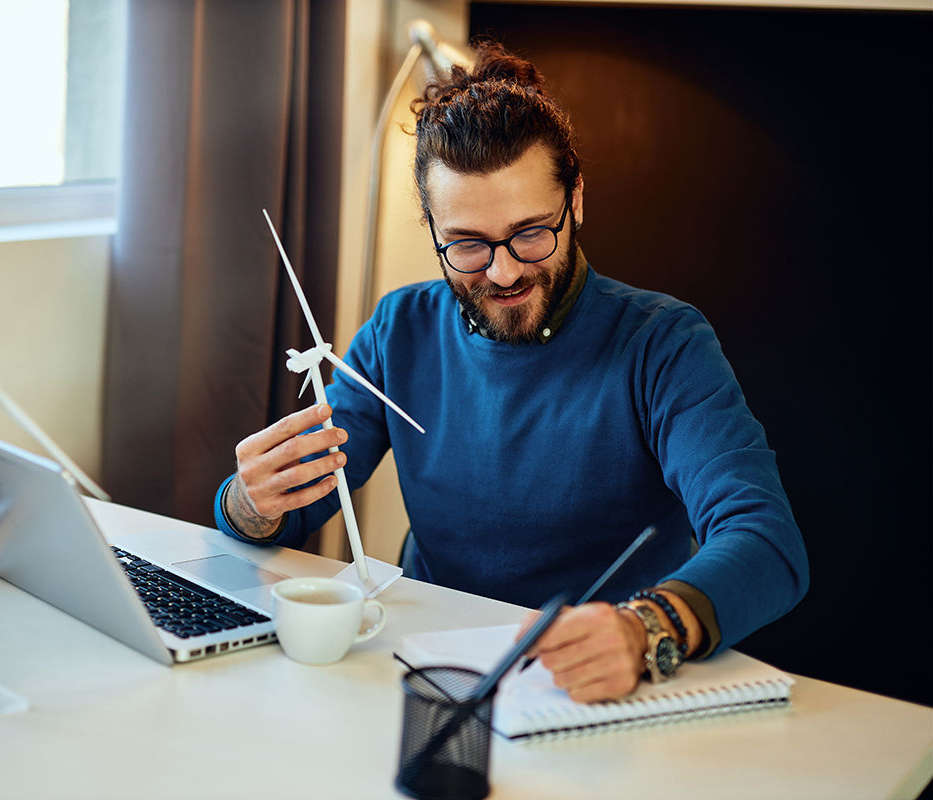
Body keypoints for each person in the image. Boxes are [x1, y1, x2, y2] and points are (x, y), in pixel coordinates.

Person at [213, 43, 808, 702]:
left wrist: (645, 629)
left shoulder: (661, 344)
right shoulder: (399, 329)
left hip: (591, 692)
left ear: (575, 199)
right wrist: (251, 502)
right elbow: (294, 512)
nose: (503, 271)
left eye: (530, 234)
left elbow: (765, 541)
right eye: (467, 244)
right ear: (432, 229)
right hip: (429, 673)